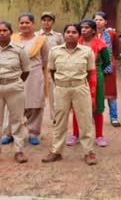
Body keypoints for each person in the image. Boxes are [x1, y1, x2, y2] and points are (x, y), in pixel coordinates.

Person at [42, 23, 98, 165]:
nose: (71, 34)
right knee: (60, 120)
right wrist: (63, 83)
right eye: (68, 32)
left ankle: (88, 152)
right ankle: (56, 151)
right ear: (64, 34)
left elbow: (91, 71)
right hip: (61, 89)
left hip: (80, 88)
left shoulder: (87, 51)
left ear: (79, 35)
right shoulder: (54, 51)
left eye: (74, 32)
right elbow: (53, 71)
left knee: (85, 120)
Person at [2, 13, 49, 146]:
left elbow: (45, 59)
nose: (24, 25)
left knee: (35, 105)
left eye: (27, 22)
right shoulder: (13, 38)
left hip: (34, 75)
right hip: (15, 76)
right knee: (12, 105)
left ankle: (33, 132)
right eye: (21, 23)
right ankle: (9, 133)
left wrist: (36, 69)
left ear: (33, 24)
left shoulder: (41, 40)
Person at [65, 19, 111, 147]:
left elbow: (107, 61)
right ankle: (75, 134)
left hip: (96, 76)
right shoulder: (76, 43)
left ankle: (99, 136)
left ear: (93, 30)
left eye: (87, 27)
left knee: (97, 107)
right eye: (82, 27)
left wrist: (97, 71)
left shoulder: (101, 44)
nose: (83, 30)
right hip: (78, 75)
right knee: (77, 106)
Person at [0, 21, 30, 163]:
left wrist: (14, 82)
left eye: (5, 30)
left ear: (11, 33)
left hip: (14, 87)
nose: (1, 33)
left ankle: (19, 151)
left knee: (17, 120)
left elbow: (26, 71)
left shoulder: (19, 49)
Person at [93, 12, 121, 127]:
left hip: (109, 67)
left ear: (105, 22)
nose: (98, 22)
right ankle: (93, 117)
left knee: (111, 93)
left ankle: (114, 117)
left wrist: (110, 62)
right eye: (96, 19)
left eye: (100, 20)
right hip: (93, 67)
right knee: (93, 93)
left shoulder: (111, 34)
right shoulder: (89, 34)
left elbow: (115, 50)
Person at [36, 12, 64, 122]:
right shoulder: (36, 35)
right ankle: (35, 119)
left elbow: (62, 51)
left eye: (49, 20)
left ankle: (55, 118)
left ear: (53, 22)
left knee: (54, 95)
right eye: (44, 20)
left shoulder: (58, 36)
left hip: (53, 69)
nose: (46, 22)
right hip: (38, 69)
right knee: (37, 94)